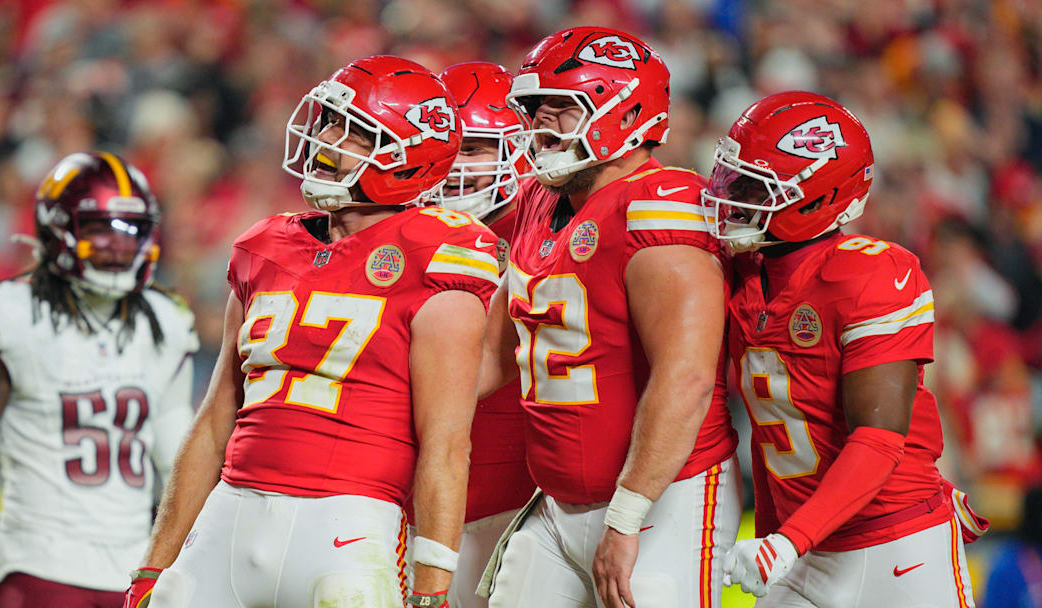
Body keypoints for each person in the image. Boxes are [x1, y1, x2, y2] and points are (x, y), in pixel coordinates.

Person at [123, 55, 500, 608]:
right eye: (327, 121)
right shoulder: (266, 248)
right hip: (230, 515)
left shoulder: (439, 256)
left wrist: (433, 589)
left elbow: (445, 446)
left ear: (404, 155)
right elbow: (213, 423)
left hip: (347, 529)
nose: (324, 141)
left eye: (351, 131)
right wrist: (153, 563)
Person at [477, 27, 741, 608]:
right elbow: (492, 353)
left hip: (663, 499)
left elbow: (688, 379)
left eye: (562, 109)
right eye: (535, 110)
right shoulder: (542, 199)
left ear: (626, 111)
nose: (541, 127)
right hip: (557, 501)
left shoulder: (659, 206)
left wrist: (627, 514)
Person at [702, 91, 985, 606]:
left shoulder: (872, 273)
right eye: (732, 178)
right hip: (800, 546)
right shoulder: (744, 275)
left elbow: (877, 440)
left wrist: (786, 541)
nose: (730, 196)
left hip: (897, 547)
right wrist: (777, 536)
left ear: (815, 198)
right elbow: (770, 439)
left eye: (753, 187)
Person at [0, 152, 197, 608]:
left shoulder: (165, 321)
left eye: (129, 230)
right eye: (98, 229)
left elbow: (177, 461)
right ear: (57, 228)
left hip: (138, 567)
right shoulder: (6, 316)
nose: (116, 245)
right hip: (37, 564)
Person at [414, 61, 535, 608]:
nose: (451, 166)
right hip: (413, 496)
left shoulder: (546, 225)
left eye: (474, 147)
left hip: (522, 497)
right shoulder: (398, 226)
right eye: (445, 146)